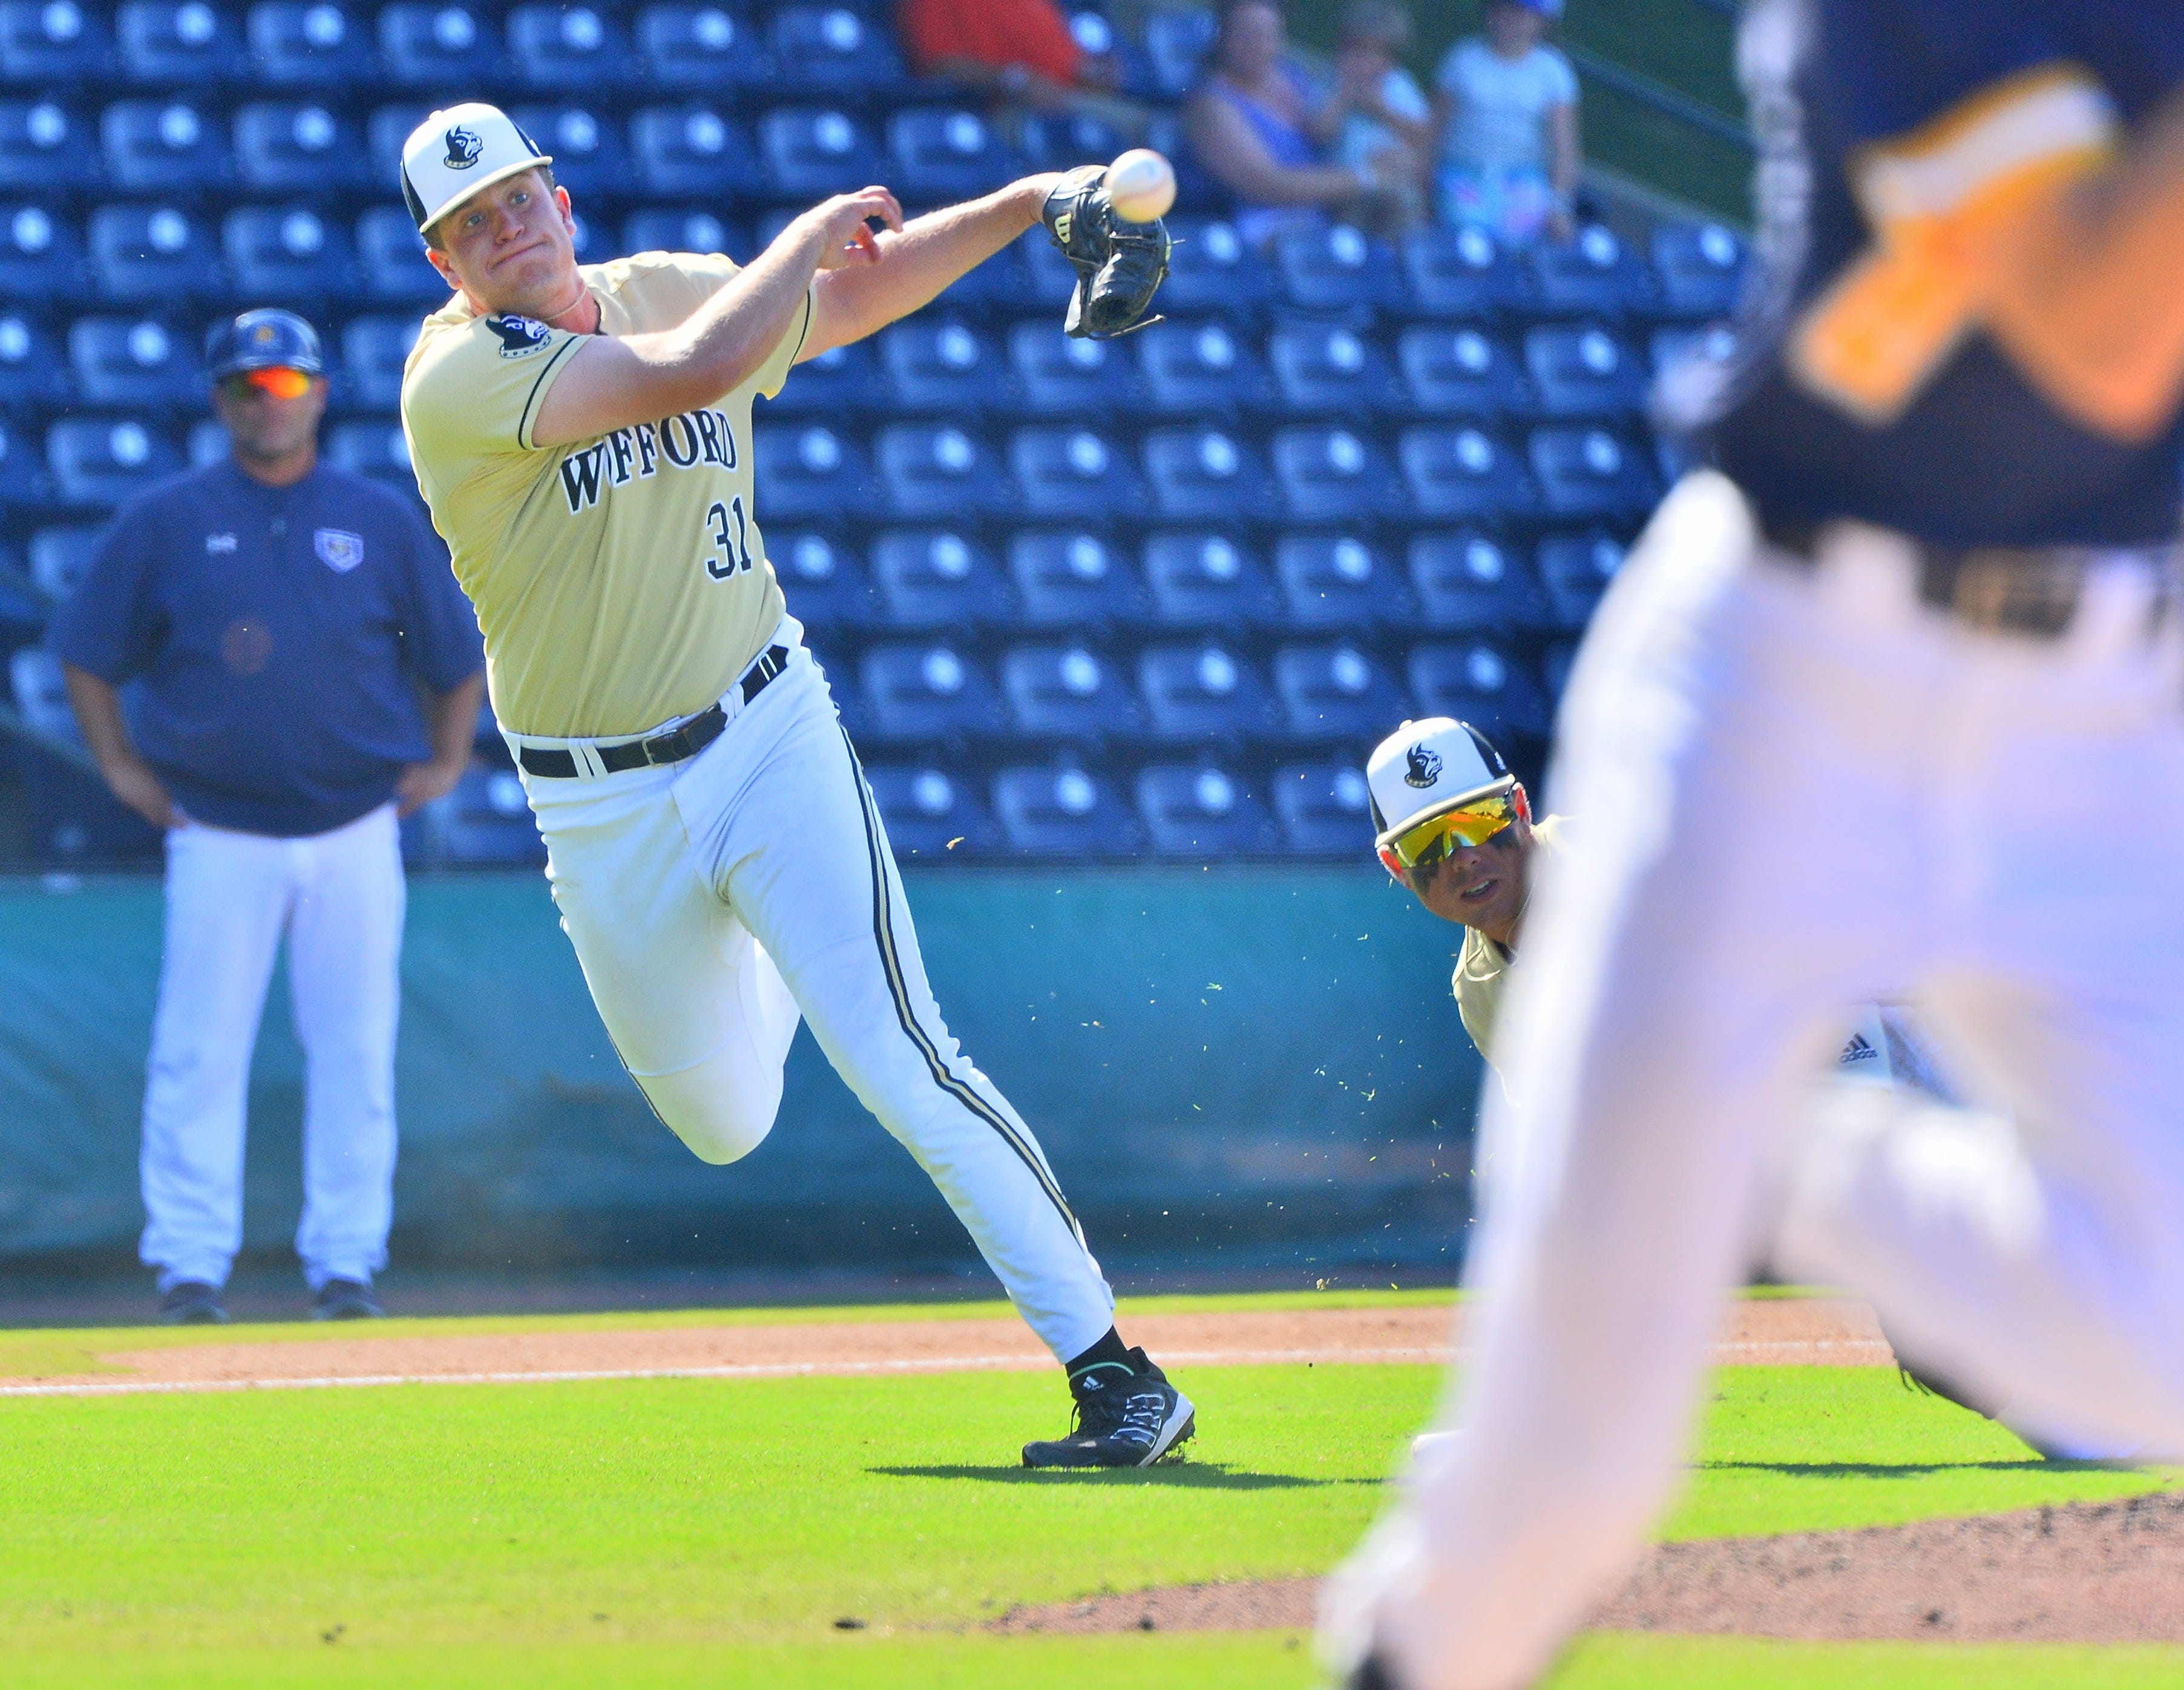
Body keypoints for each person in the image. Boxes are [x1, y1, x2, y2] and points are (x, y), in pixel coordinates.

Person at [1324, 4, 2184, 1686]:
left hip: (2103, 693)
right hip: (1798, 665)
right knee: (1565, 1471)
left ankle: (1781, 1155)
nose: (1467, 864)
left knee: (2152, 1336)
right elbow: (2094, 327)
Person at [394, 104, 1193, 1468]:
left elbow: (845, 298)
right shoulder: (456, 380)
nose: (504, 227)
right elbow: (694, 367)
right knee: (721, 1124)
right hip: (598, 807)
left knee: (902, 1053)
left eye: (518, 196)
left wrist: (1026, 196)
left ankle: (1114, 1374)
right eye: (470, 222)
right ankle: (795, 951)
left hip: (766, 728)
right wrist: (802, 233)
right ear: (441, 260)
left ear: (560, 197)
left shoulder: (671, 281)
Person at [50, 309, 486, 1326]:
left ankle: (346, 1263)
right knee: (198, 1048)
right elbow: (86, 646)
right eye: (249, 385)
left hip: (353, 825)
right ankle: (190, 1264)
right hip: (216, 827)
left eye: (286, 383)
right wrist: (117, 763)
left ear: (321, 393)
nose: (267, 400)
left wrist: (449, 759)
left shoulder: (377, 517)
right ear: (220, 399)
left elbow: (455, 659)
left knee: (355, 1048)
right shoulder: (165, 518)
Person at [1183, 0, 1396, 247]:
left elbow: (1327, 131)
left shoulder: (1292, 77)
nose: (1257, 44)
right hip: (1254, 236)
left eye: (1267, 33)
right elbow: (1268, 186)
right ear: (1223, 36)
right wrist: (1366, 178)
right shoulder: (1210, 104)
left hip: (1320, 220)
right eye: (1246, 33)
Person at [1430, 0, 1579, 246]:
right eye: (1500, 8)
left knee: (1520, 235)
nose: (1507, 18)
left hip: (1523, 178)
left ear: (1541, 21)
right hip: (1463, 173)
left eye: (1519, 12)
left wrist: (1559, 204)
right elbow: (1434, 131)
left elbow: (1564, 149)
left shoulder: (1553, 72)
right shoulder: (1462, 59)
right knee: (1468, 229)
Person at [896, 0, 1149, 139]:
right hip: (999, 108)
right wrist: (1014, 79)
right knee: (1140, 130)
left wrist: (1089, 70)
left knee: (1154, 129)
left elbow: (1059, 56)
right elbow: (939, 66)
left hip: (1068, 96)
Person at [1331, 2, 1434, 232]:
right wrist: (1342, 98)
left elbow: (1422, 132)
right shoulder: (1334, 83)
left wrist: (1381, 110)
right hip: (1346, 185)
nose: (1366, 61)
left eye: (1377, 53)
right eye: (1358, 51)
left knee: (1405, 208)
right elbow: (1318, 132)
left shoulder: (1399, 85)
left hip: (1392, 182)